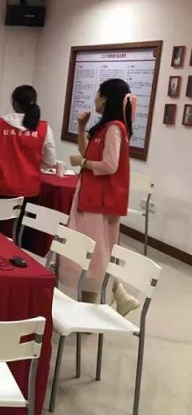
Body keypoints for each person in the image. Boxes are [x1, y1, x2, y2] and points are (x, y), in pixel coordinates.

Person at [68, 78, 140, 315]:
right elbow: (85, 151)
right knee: (95, 253)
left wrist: (83, 163)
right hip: (92, 196)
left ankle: (91, 310)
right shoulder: (104, 127)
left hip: (99, 201)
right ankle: (115, 295)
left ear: (106, 99)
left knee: (94, 255)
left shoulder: (115, 129)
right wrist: (81, 128)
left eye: (98, 94)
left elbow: (109, 165)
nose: (95, 99)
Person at [0, 85, 56, 243]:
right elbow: (50, 160)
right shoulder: (44, 128)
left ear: (15, 103)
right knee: (22, 235)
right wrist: (35, 167)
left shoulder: (0, 124)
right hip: (28, 189)